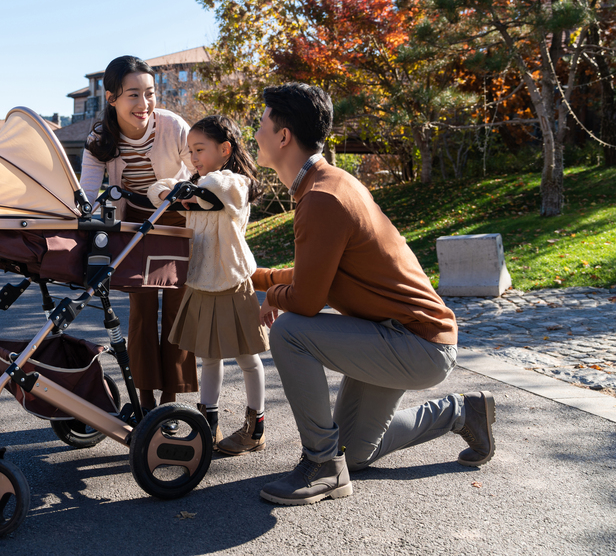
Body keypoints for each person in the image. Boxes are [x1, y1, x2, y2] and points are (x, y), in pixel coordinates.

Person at [250, 82, 496, 505]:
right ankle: (461, 412)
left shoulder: (323, 197)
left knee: (290, 330)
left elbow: (307, 301)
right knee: (357, 452)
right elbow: (317, 275)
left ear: (283, 136)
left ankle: (322, 466)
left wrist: (274, 298)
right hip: (395, 335)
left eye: (261, 123)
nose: (255, 133)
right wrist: (260, 279)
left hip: (416, 343)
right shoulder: (327, 184)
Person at [79, 55, 198, 411]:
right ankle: (143, 399)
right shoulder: (100, 139)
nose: (144, 104)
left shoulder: (174, 127)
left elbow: (199, 173)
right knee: (141, 312)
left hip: (177, 221)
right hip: (133, 229)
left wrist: (175, 194)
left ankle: (172, 400)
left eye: (149, 93)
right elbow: (87, 193)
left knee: (178, 311)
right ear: (112, 97)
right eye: (133, 95)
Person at [148, 115, 269, 454]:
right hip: (201, 282)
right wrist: (174, 191)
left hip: (233, 282)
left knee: (247, 358)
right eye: (190, 151)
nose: (194, 158)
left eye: (200, 149)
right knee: (209, 358)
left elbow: (217, 189)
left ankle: (255, 425)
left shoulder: (235, 184)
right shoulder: (196, 185)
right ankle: (208, 425)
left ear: (225, 149)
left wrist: (180, 192)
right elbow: (156, 189)